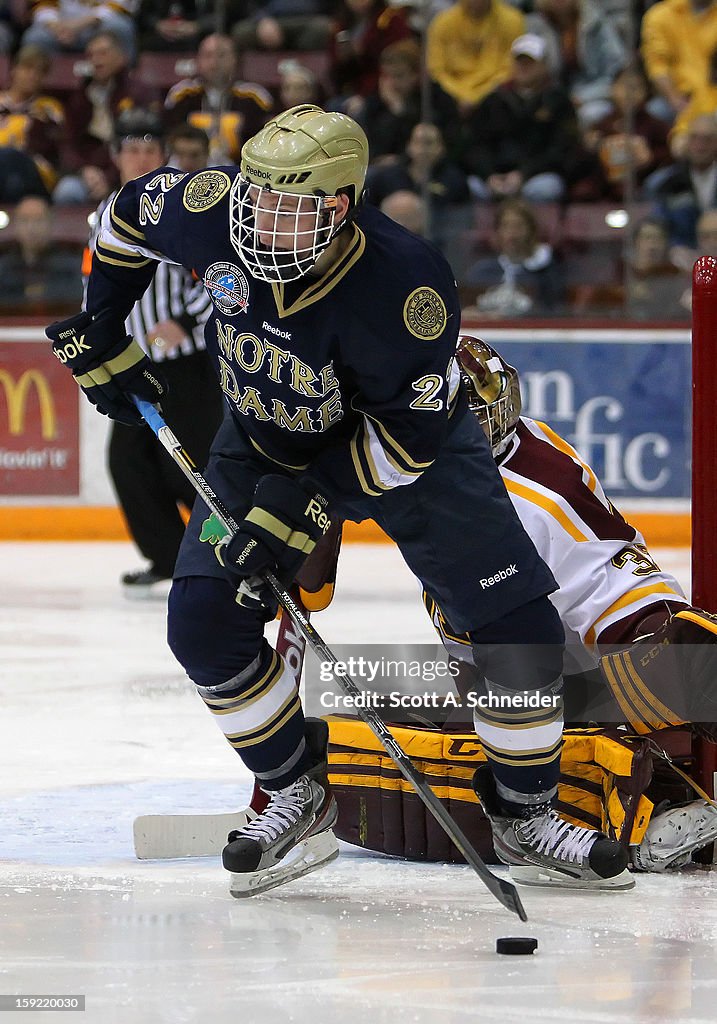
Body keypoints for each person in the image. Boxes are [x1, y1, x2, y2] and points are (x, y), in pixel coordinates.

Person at [47, 103, 632, 896]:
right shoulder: (209, 208)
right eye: (252, 197)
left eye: (283, 209)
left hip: (410, 452)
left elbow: (402, 446)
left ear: (338, 209)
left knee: (516, 628)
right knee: (203, 625)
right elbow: (118, 222)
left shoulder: (407, 289)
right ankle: (298, 790)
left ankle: (525, 812)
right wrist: (104, 324)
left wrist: (301, 507)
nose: (254, 222)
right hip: (258, 439)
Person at [84, 109, 222, 595]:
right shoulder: (103, 212)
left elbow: (223, 270)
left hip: (185, 365)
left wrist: (184, 320)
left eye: (148, 148)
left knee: (192, 466)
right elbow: (94, 281)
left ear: (161, 155)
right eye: (130, 148)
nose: (139, 157)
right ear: (117, 157)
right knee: (130, 465)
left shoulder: (183, 202)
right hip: (133, 363)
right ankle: (166, 556)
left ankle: (234, 548)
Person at [164, 33, 273, 165]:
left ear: (234, 59)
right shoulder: (181, 95)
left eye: (221, 55)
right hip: (190, 170)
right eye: (208, 56)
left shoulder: (254, 97)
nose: (214, 63)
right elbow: (170, 139)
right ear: (198, 59)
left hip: (240, 171)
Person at [462, 198, 566, 318]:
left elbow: (553, 311)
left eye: (518, 226)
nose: (512, 233)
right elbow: (465, 308)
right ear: (497, 231)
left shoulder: (546, 272)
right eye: (506, 226)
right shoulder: (482, 272)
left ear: (531, 230)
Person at [0, 195, 82, 311]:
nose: (31, 228)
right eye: (25, 220)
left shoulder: (68, 265)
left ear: (50, 224)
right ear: (16, 225)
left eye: (38, 220)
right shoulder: (4, 268)